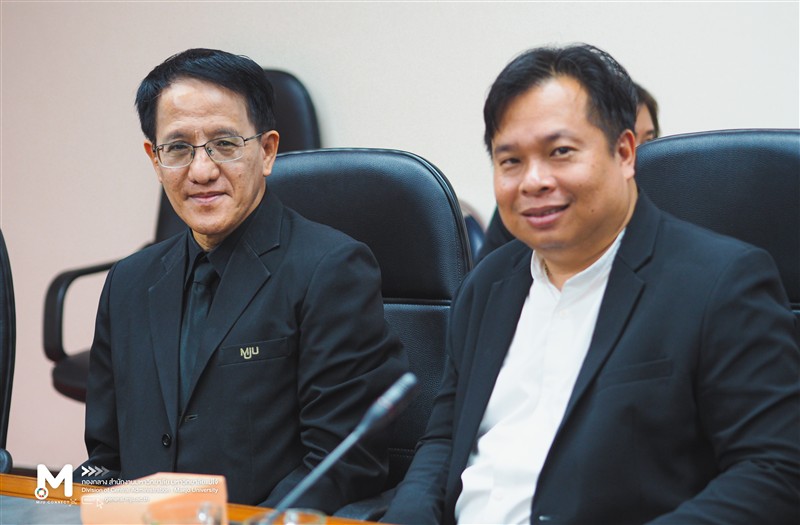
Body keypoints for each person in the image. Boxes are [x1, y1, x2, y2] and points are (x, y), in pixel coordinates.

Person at [383, 44, 799, 524]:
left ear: (624, 153)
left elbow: (773, 472)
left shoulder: (721, 281)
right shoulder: (487, 284)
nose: (533, 181)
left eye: (560, 152)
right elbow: (444, 439)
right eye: (510, 161)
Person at [80, 48, 407, 512]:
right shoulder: (128, 283)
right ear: (155, 159)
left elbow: (342, 462)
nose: (201, 171)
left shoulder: (331, 269)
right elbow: (105, 458)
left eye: (225, 144)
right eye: (178, 148)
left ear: (267, 151)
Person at [476, 79, 661, 263]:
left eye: (648, 141)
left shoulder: (662, 203)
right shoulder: (526, 200)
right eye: (512, 160)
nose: (638, 152)